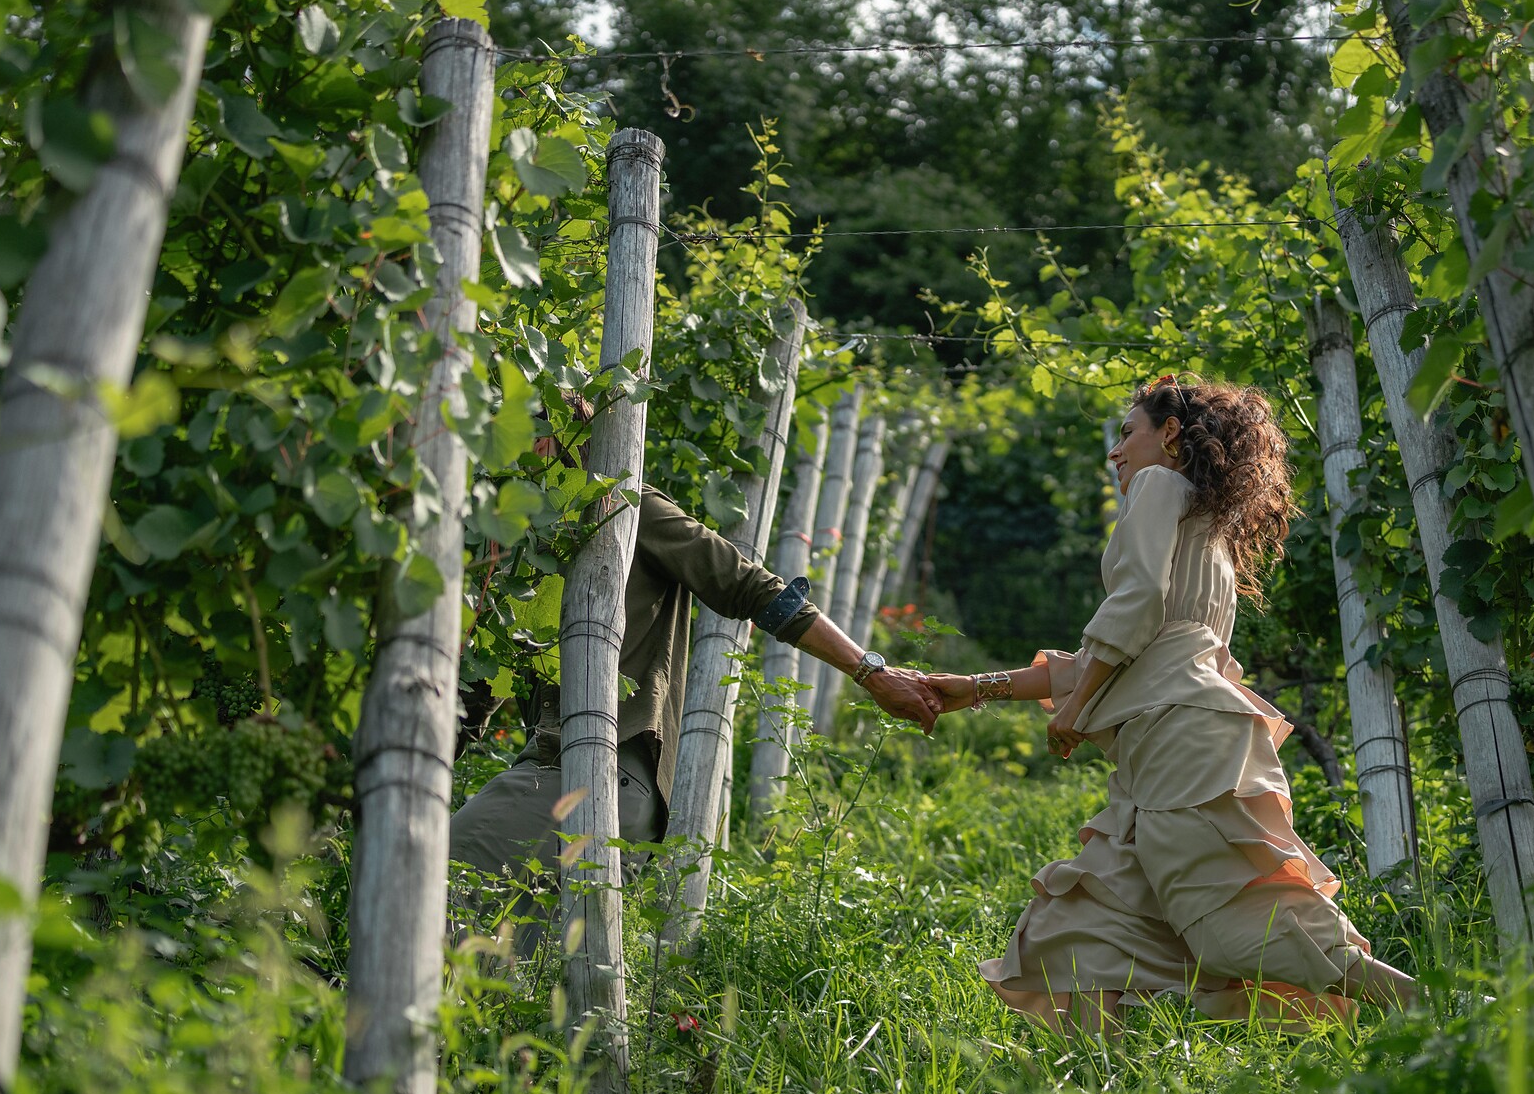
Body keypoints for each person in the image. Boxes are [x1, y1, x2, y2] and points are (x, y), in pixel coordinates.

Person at [925, 375, 1419, 1034]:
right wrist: (974, 688)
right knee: (1089, 923)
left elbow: (1136, 605)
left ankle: (1436, 1007)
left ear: (1171, 434)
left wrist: (1073, 711)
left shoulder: (1158, 486)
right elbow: (1131, 652)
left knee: (1234, 933)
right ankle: (1093, 1086)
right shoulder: (1207, 529)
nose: (1116, 452)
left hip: (1180, 747)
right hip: (1174, 747)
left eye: (1127, 433)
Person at [451, 410, 940, 955]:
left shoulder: (627, 507)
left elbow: (753, 588)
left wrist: (870, 672)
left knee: (437, 879)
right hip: (559, 778)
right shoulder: (523, 547)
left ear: (554, 439)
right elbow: (477, 691)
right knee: (490, 971)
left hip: (599, 776)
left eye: (520, 434)